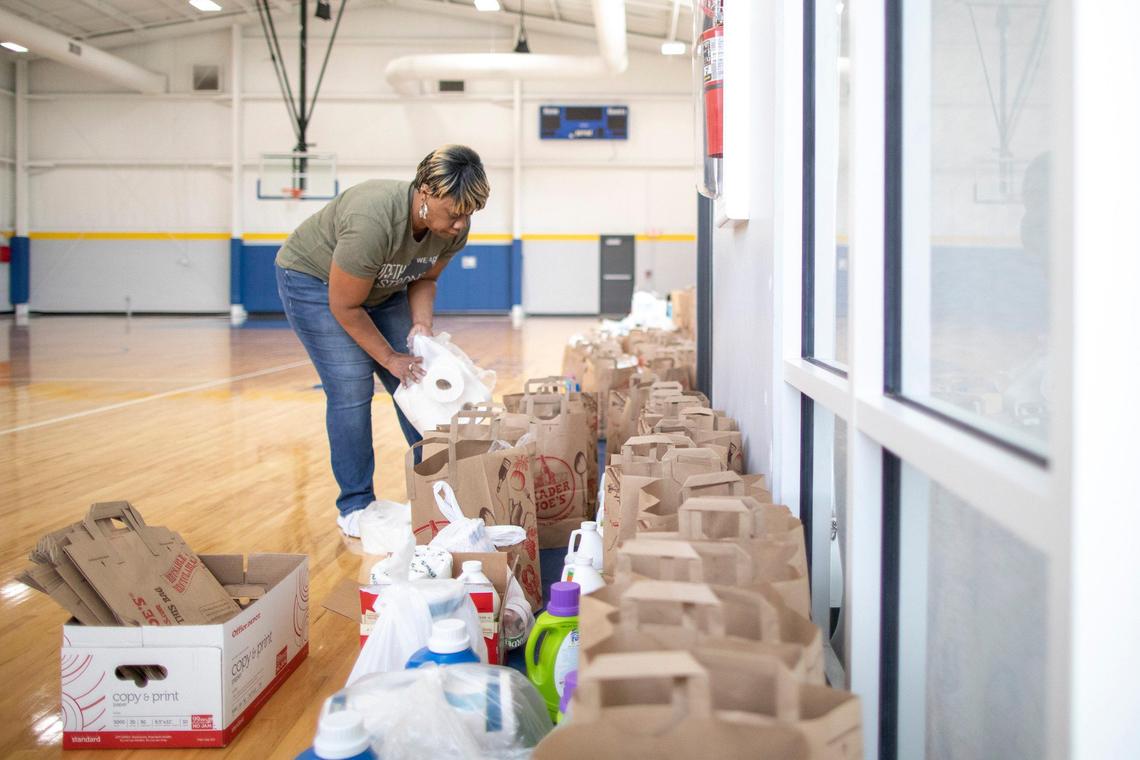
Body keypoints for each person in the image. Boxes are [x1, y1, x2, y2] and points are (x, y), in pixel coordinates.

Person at [274, 145, 490, 537]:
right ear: (425, 191)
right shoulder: (372, 218)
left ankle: (438, 490)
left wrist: (420, 327)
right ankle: (355, 504)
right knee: (352, 386)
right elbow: (345, 306)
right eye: (455, 213)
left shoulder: (452, 225)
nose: (460, 224)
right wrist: (390, 357)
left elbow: (424, 277)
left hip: (384, 288)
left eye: (468, 215)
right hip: (315, 284)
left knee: (420, 379)